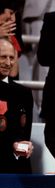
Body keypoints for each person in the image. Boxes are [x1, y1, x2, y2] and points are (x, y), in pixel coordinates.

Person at [0, 37, 34, 173]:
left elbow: (25, 135)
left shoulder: (24, 93)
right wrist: (10, 146)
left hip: (16, 168)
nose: (8, 63)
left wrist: (25, 146)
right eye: (3, 57)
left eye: (11, 58)